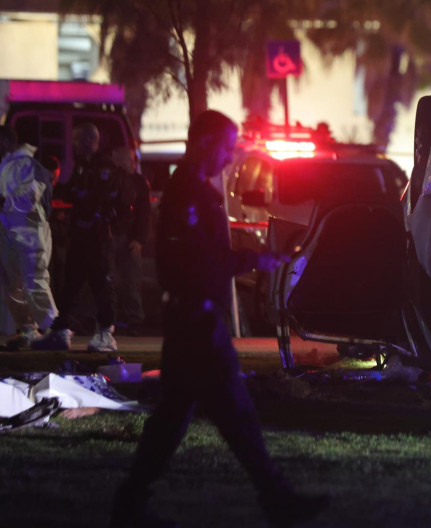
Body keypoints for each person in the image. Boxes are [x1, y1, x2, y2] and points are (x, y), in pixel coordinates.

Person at [109, 110, 328, 528]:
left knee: (175, 418)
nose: (229, 158)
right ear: (207, 143)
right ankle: (276, 498)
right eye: (227, 148)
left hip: (191, 319)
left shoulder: (190, 190)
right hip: (196, 322)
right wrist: (253, 257)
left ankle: (131, 502)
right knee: (234, 413)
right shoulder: (189, 193)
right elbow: (198, 260)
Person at [32, 122, 120, 352]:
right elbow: (72, 191)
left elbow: (96, 199)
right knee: (70, 284)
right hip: (80, 236)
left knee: (100, 283)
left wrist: (84, 205)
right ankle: (60, 330)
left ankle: (106, 333)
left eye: (78, 139)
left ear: (90, 141)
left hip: (96, 237)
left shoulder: (104, 167)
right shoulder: (83, 167)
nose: (74, 144)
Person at [0, 126, 58, 350]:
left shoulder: (29, 164)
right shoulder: (4, 166)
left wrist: (5, 202)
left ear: (5, 142)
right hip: (8, 236)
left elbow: (31, 198)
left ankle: (55, 330)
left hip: (30, 236)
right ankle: (28, 330)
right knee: (14, 286)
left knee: (35, 282)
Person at [110, 146, 151, 335]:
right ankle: (111, 318)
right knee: (109, 280)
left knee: (131, 281)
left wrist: (138, 239)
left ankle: (135, 321)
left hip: (128, 237)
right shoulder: (110, 179)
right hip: (111, 235)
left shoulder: (139, 183)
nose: (130, 163)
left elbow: (144, 214)